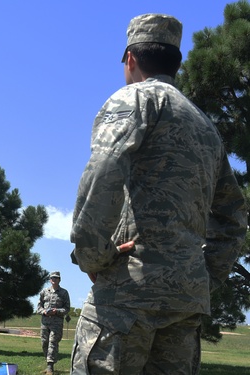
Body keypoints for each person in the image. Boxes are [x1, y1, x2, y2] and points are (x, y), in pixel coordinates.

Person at [70, 13, 247, 374]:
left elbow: (103, 171)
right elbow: (233, 215)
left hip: (127, 295)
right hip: (184, 302)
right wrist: (202, 275)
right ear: (175, 63)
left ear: (131, 59)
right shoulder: (204, 126)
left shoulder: (135, 100)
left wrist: (93, 256)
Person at [37, 271, 70, 375]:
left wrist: (57, 311)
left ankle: (50, 366)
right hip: (45, 322)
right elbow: (39, 306)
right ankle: (48, 364)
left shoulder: (64, 293)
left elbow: (67, 308)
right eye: (52, 278)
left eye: (56, 278)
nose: (54, 279)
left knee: (53, 342)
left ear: (59, 280)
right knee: (44, 342)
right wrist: (44, 311)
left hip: (56, 323)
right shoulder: (44, 292)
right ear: (50, 280)